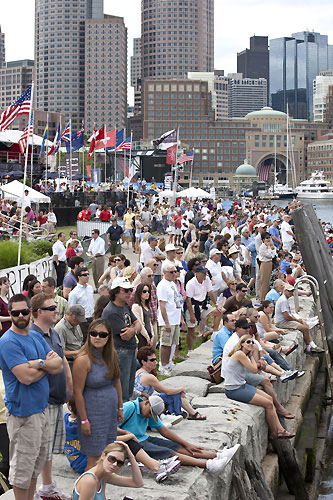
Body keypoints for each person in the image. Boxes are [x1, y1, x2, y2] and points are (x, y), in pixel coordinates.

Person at [0, 294, 63, 500]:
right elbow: (25, 378)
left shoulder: (36, 337)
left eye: (24, 311)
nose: (20, 316)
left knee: (36, 464)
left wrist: (38, 364)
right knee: (22, 470)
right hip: (23, 414)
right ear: (9, 314)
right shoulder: (8, 342)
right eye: (15, 312)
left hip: (41, 409)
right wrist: (45, 365)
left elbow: (58, 364)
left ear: (30, 312)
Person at [119, 395, 240, 474]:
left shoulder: (149, 412)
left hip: (143, 438)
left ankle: (217, 455)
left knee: (177, 446)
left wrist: (186, 444)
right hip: (131, 442)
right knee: (169, 453)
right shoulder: (129, 407)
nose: (150, 416)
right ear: (146, 403)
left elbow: (164, 430)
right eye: (150, 413)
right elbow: (108, 426)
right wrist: (126, 433)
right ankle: (208, 465)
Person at [30, 293, 72, 500]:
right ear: (39, 312)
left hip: (57, 398)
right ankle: (35, 490)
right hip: (41, 402)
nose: (57, 310)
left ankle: (47, 487)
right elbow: (33, 369)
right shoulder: (31, 336)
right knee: (39, 449)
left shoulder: (53, 333)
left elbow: (62, 360)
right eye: (52, 308)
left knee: (48, 449)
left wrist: (69, 386)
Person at [73, 319, 124, 470]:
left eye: (102, 334)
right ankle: (86, 493)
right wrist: (84, 420)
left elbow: (117, 381)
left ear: (109, 337)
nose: (97, 337)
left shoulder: (111, 355)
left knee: (107, 457)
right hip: (92, 414)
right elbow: (77, 392)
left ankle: (100, 492)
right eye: (93, 333)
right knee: (94, 459)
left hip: (109, 414)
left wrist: (120, 407)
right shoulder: (82, 360)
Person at [224, 335, 295, 439]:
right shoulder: (240, 354)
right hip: (234, 390)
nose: (251, 344)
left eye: (252, 342)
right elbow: (253, 369)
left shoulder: (244, 355)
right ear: (242, 343)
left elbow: (254, 367)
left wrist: (252, 356)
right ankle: (275, 432)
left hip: (242, 385)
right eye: (248, 342)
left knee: (270, 399)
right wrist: (252, 356)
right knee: (268, 404)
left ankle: (280, 430)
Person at [135, 347, 206, 420]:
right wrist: (181, 389)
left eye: (155, 359)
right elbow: (167, 391)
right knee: (175, 392)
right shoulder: (148, 377)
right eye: (152, 360)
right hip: (144, 406)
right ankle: (187, 413)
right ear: (143, 362)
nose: (155, 362)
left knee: (174, 391)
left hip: (140, 404)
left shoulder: (139, 372)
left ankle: (185, 413)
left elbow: (160, 390)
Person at [102, 277, 141, 402]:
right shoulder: (111, 311)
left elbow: (138, 325)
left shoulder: (125, 306)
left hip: (129, 350)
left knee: (129, 386)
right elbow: (125, 335)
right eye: (126, 290)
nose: (129, 293)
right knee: (123, 389)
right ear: (116, 292)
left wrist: (133, 329)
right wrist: (134, 329)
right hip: (120, 351)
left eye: (130, 290)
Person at [72, 441, 143, 500]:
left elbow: (137, 483)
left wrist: (131, 457)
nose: (115, 464)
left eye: (119, 462)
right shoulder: (90, 481)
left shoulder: (104, 476)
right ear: (103, 455)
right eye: (112, 459)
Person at [274, 284, 324, 353]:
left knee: (305, 324)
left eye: (292, 291)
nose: (291, 293)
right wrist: (296, 320)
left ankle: (312, 346)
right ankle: (309, 347)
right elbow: (287, 316)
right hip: (282, 322)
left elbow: (289, 314)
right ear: (285, 291)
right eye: (290, 291)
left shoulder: (285, 299)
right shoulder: (283, 300)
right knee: (305, 328)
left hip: (285, 320)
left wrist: (298, 320)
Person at [185, 265, 222, 350]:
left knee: (218, 312)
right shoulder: (191, 283)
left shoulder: (207, 279)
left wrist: (216, 305)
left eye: (205, 272)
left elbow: (210, 292)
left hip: (203, 304)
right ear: (197, 274)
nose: (205, 274)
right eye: (203, 273)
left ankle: (215, 333)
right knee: (191, 329)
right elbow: (188, 300)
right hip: (194, 305)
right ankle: (190, 349)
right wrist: (191, 315)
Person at [156, 263, 182, 376]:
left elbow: (177, 301)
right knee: (165, 343)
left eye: (175, 271)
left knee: (173, 343)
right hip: (168, 319)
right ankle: (163, 365)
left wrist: (181, 318)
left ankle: (169, 362)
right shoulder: (162, 285)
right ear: (165, 273)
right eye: (171, 272)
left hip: (175, 317)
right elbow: (162, 305)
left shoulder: (173, 284)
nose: (174, 274)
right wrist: (166, 322)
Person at [68, 268, 94, 342]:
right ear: (79, 277)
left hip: (92, 319)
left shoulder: (90, 288)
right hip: (82, 321)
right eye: (84, 275)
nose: (87, 276)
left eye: (88, 274)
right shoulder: (74, 293)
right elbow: (71, 309)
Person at [131, 283, 154, 349]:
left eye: (148, 291)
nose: (147, 293)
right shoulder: (136, 306)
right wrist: (147, 338)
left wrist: (152, 335)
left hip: (149, 335)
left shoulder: (147, 306)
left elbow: (149, 322)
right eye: (144, 291)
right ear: (139, 293)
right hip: (142, 336)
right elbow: (139, 323)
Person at [258, 232, 277, 303]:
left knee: (267, 281)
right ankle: (262, 300)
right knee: (264, 282)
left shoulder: (271, 245)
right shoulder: (262, 247)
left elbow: (274, 253)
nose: (268, 239)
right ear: (263, 239)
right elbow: (269, 255)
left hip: (269, 263)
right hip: (265, 263)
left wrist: (271, 247)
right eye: (267, 238)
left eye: (269, 237)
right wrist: (269, 247)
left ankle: (266, 298)